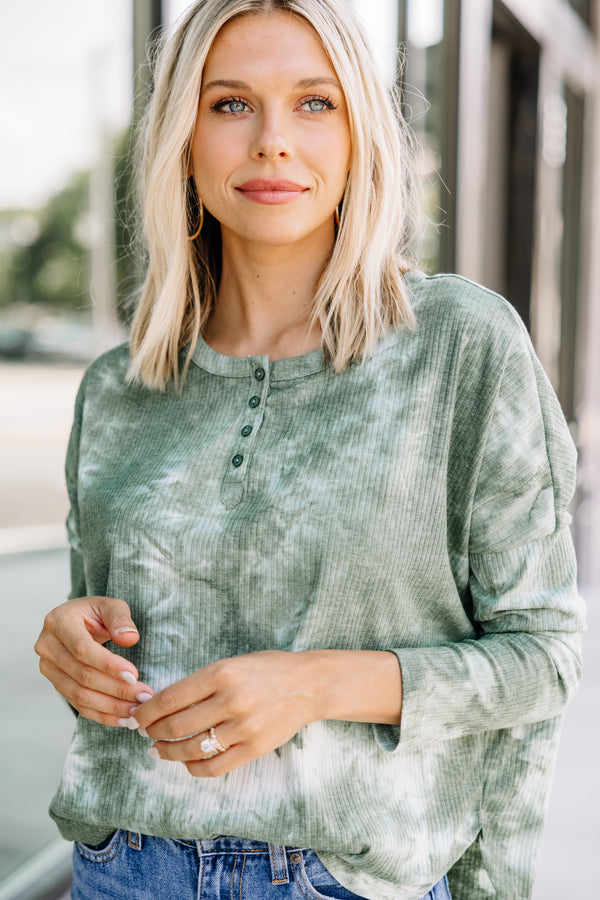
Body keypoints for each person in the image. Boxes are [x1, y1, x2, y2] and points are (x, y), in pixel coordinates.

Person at [34, 1, 585, 898]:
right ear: (183, 135)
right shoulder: (119, 386)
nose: (273, 141)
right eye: (230, 104)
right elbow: (105, 646)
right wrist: (72, 651)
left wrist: (317, 684)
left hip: (346, 880)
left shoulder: (459, 344)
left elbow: (543, 657)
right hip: (127, 868)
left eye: (314, 102)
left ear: (360, 128)